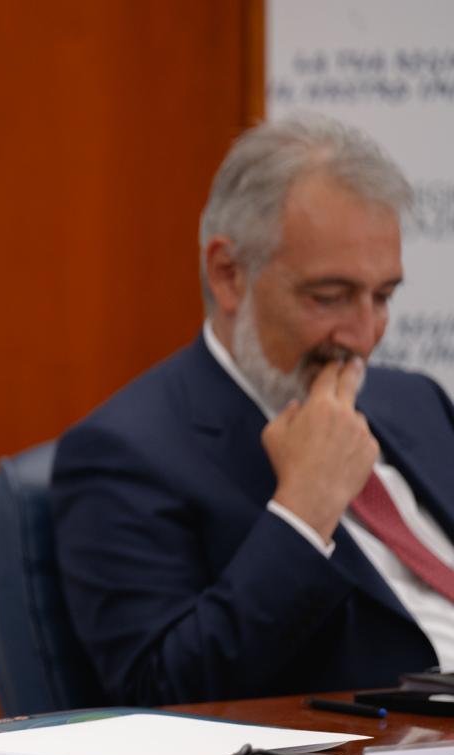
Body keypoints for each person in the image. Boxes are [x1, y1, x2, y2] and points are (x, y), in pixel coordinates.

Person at [52, 114, 454, 706]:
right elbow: (163, 691)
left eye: (383, 296)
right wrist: (305, 511)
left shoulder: (415, 400)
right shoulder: (125, 453)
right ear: (228, 275)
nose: (365, 334)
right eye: (330, 297)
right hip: (380, 753)